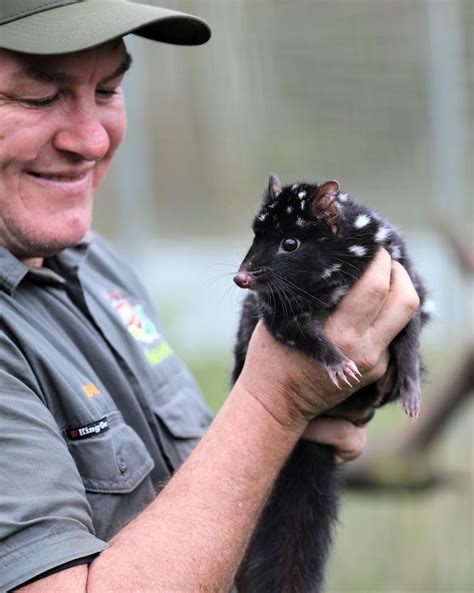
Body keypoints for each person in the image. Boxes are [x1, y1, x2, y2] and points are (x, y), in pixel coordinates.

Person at [0, 1, 420, 591]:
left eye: (110, 89)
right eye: (38, 97)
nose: (92, 139)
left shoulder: (93, 265)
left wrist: (298, 428)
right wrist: (273, 405)